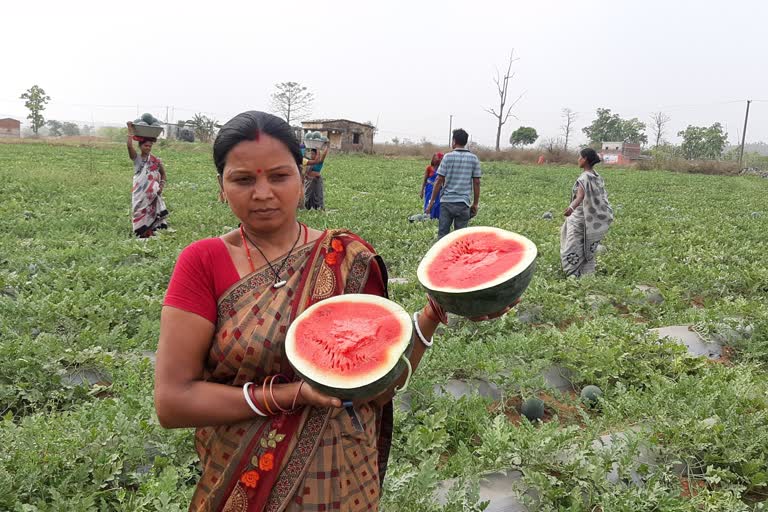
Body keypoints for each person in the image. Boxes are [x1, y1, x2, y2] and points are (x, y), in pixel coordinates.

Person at [154, 111, 514, 511]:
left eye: (278, 176)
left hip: (343, 483)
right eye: (243, 179)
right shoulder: (202, 262)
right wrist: (291, 395)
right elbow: (173, 401)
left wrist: (437, 309)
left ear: (302, 176)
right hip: (241, 479)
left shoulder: (347, 257)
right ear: (221, 186)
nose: (262, 193)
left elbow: (379, 386)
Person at [560, 148, 614, 277]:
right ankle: (586, 273)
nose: (578, 160)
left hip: (579, 217)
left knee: (572, 245)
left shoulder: (584, 177)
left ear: (585, 159)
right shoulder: (596, 176)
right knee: (585, 245)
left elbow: (580, 197)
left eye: (580, 157)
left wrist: (571, 208)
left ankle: (572, 273)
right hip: (591, 219)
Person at [425, 129, 481, 239]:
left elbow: (439, 180)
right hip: (463, 203)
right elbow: (477, 182)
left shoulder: (447, 157)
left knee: (442, 236)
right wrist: (475, 204)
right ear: (465, 142)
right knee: (460, 238)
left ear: (454, 141)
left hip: (446, 203)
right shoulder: (474, 159)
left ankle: (442, 256)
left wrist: (431, 202)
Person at [127, 122, 169, 238]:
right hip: (140, 194)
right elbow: (129, 146)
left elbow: (163, 174)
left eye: (150, 146)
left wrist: (161, 186)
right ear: (140, 146)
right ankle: (141, 232)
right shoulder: (137, 159)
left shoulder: (155, 160)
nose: (148, 148)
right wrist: (130, 130)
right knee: (138, 212)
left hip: (152, 194)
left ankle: (151, 232)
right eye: (146, 146)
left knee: (152, 212)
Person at [303, 144, 328, 210]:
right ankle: (307, 206)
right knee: (308, 194)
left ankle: (318, 207)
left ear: (317, 154)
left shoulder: (319, 162)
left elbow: (324, 154)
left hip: (317, 181)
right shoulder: (310, 162)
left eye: (313, 154)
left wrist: (321, 148)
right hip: (309, 181)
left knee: (317, 194)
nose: (312, 155)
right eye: (311, 154)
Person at [420, 152, 444, 219]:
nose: (437, 160)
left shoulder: (442, 169)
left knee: (438, 203)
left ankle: (436, 217)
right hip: (429, 188)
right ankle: (428, 216)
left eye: (439, 159)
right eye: (436, 158)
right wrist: (422, 191)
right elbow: (424, 180)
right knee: (429, 201)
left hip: (439, 189)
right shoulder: (429, 168)